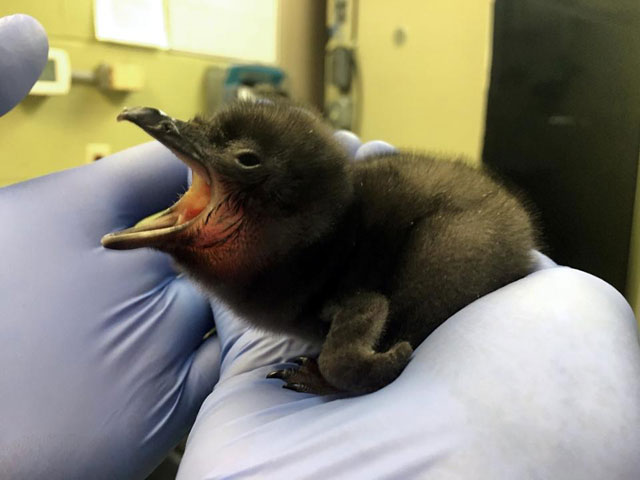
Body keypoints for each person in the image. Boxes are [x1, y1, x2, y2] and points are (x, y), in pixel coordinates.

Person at [1, 14, 639, 480]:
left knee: (445, 261)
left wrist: (347, 365)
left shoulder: (301, 259)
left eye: (244, 161)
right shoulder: (275, 257)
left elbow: (359, 299)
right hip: (411, 238)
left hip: (443, 237)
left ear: (289, 198)